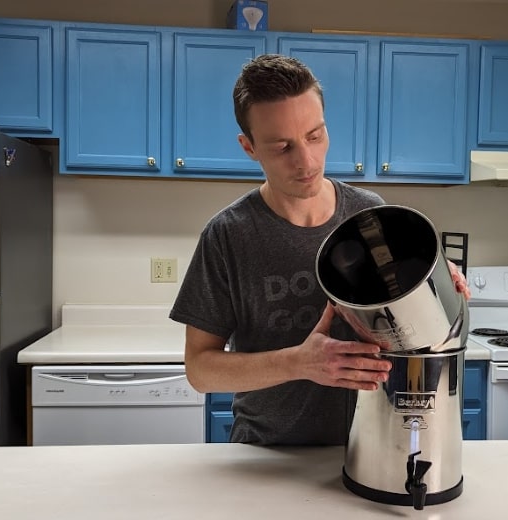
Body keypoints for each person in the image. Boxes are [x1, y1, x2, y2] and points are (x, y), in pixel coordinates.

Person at [170, 54, 468, 446]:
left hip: (373, 450)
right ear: (249, 147)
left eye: (315, 135)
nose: (307, 161)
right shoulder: (228, 236)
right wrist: (298, 362)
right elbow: (201, 370)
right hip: (267, 456)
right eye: (282, 147)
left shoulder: (369, 214)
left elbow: (408, 327)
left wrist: (433, 281)